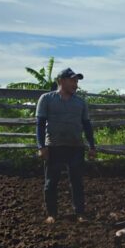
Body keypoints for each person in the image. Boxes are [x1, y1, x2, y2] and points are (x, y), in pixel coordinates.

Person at [36, 67, 96, 224]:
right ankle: (52, 214)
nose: (75, 84)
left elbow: (86, 125)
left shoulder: (80, 102)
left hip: (75, 147)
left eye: (76, 81)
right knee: (51, 182)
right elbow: (40, 124)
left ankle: (80, 213)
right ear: (61, 81)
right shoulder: (47, 99)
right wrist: (41, 146)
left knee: (77, 182)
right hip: (54, 147)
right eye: (72, 80)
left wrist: (92, 146)